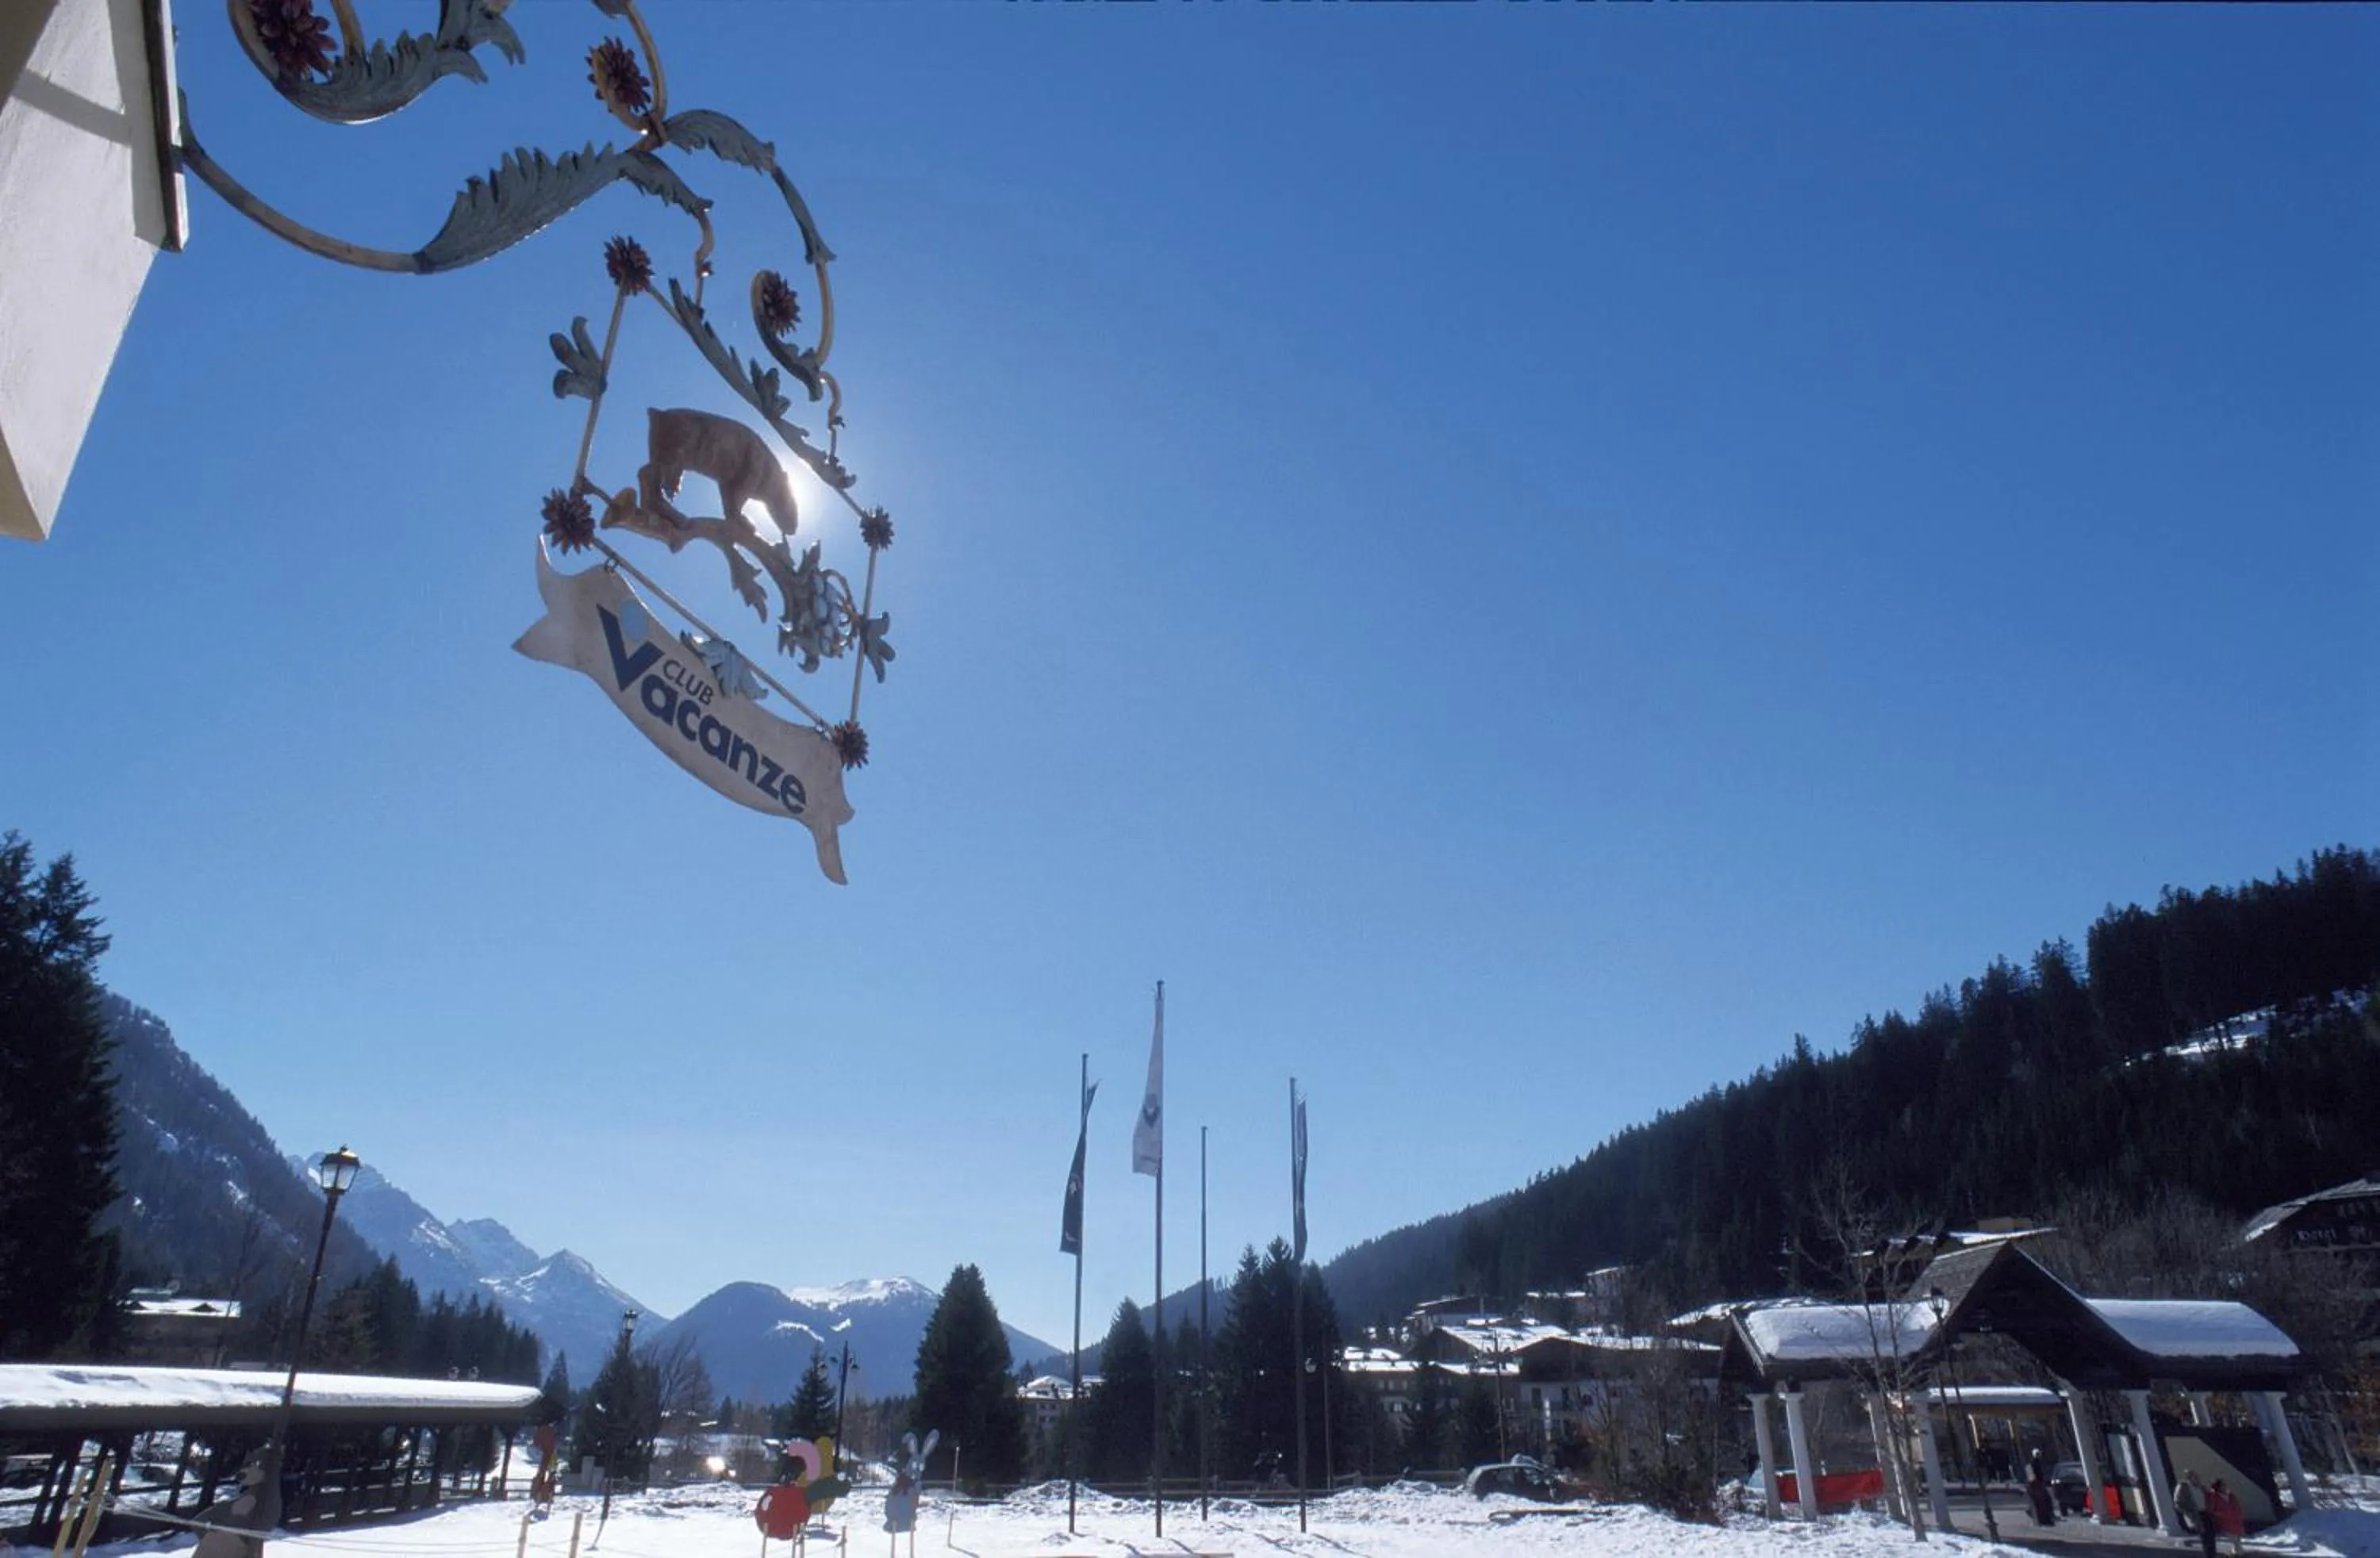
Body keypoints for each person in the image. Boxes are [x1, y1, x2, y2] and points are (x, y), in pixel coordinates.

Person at [2174, 1468, 2210, 1556]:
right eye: (2195, 1476)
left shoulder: (2201, 1487)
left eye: (2198, 1476)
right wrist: (2188, 1513)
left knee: (2211, 1536)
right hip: (2196, 1514)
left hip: (2206, 1513)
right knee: (2204, 1537)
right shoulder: (2184, 1487)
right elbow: (2178, 1503)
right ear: (2189, 1477)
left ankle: (2212, 1555)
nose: (2198, 1478)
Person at [2207, 1478, 2244, 1556]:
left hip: (2236, 1523)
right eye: (2223, 1485)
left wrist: (2239, 1514)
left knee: (2237, 1544)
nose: (2225, 1486)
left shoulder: (2230, 1495)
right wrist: (2222, 1515)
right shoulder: (2214, 1497)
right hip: (2226, 1525)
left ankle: (2230, 1555)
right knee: (2238, 1546)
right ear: (2218, 1487)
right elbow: (2211, 1510)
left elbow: (2237, 1506)